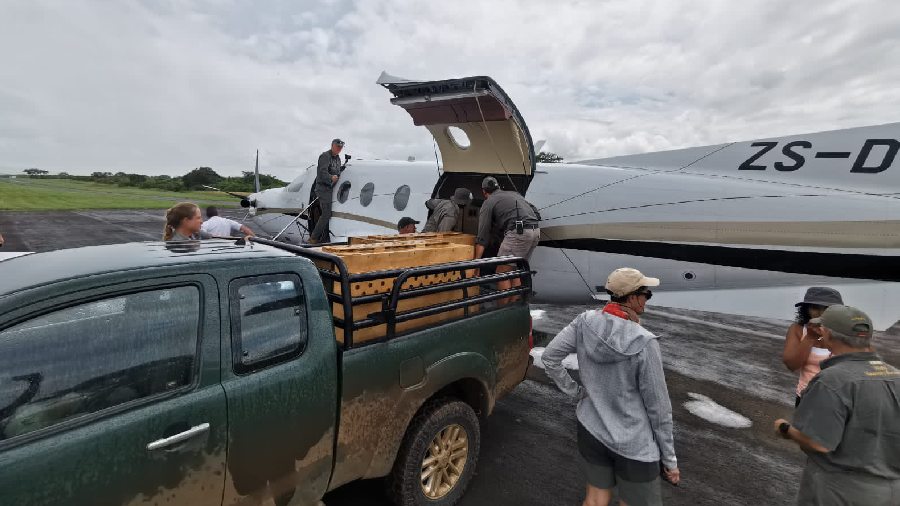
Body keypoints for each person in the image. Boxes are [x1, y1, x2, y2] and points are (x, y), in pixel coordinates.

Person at [543, 268, 679, 506]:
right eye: (646, 294)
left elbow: (550, 357)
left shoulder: (584, 322)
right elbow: (659, 408)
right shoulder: (644, 342)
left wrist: (576, 392)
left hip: (591, 429)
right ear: (632, 297)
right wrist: (669, 460)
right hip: (634, 445)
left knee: (595, 500)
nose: (647, 299)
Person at [773, 305, 900, 506]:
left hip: (840, 490)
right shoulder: (895, 374)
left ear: (828, 335)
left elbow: (818, 443)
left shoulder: (831, 380)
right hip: (892, 491)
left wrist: (784, 428)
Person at [475, 176, 540, 296]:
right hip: (535, 230)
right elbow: (536, 212)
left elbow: (482, 236)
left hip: (519, 233)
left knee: (501, 272)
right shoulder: (514, 194)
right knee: (514, 270)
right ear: (498, 187)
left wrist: (476, 264)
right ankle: (514, 304)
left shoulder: (488, 202)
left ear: (484, 192)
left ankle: (504, 305)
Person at [782, 287, 843, 406]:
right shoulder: (798, 329)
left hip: (839, 399)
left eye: (828, 308)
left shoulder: (845, 332)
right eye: (815, 307)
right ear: (806, 309)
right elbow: (791, 365)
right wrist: (809, 338)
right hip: (806, 397)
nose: (821, 313)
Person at [309, 139, 345, 244]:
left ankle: (323, 236)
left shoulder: (338, 158)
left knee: (327, 214)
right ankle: (313, 238)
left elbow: (337, 171)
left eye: (340, 147)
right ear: (332, 146)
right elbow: (322, 172)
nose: (339, 149)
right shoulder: (325, 156)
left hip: (330, 188)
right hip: (323, 188)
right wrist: (331, 177)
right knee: (326, 214)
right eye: (337, 146)